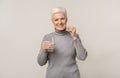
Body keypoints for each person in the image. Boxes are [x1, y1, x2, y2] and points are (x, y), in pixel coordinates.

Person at [37, 7, 87, 78]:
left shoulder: (74, 35)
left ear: (66, 19)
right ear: (52, 21)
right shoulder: (47, 37)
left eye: (62, 19)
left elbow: (82, 57)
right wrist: (44, 50)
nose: (60, 22)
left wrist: (74, 37)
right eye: (56, 20)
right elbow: (41, 63)